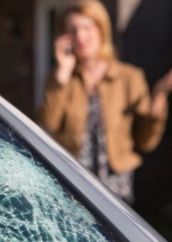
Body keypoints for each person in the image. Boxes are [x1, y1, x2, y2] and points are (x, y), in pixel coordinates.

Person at [36, 0, 172, 204]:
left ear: (101, 30)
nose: (80, 36)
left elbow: (146, 140)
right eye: (72, 30)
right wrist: (61, 77)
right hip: (72, 185)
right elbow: (46, 127)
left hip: (117, 190)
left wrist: (159, 96)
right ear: (64, 38)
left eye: (86, 28)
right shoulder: (60, 79)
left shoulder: (130, 78)